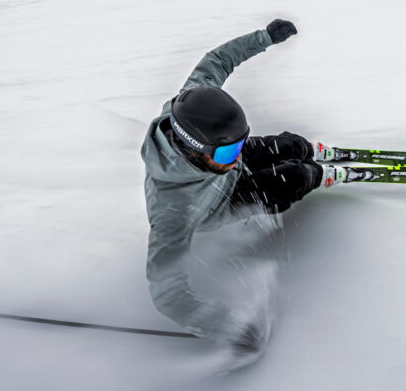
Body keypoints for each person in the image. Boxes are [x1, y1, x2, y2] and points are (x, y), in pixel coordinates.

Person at [141, 19, 338, 354]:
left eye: (237, 143)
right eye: (228, 150)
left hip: (220, 174)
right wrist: (226, 328)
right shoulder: (172, 209)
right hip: (221, 202)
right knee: (292, 177)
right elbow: (166, 293)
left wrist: (264, 37)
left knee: (288, 145)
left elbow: (216, 61)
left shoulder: (192, 108)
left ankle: (309, 152)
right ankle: (317, 175)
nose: (236, 153)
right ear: (195, 149)